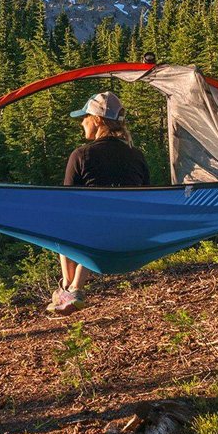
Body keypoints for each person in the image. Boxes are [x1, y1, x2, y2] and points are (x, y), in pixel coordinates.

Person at [47, 92, 150, 315]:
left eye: (85, 117)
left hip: (94, 237)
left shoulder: (82, 155)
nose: (82, 123)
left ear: (97, 120)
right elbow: (146, 198)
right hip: (131, 234)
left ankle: (70, 286)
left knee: (62, 223)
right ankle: (71, 289)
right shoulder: (137, 156)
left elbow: (67, 203)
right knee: (102, 221)